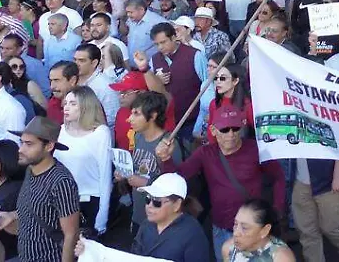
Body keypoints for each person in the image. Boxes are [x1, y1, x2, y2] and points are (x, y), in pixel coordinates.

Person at [156, 106, 287, 260]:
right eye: (225, 130)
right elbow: (175, 179)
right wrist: (166, 159)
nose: (231, 134)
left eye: (235, 128)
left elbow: (278, 177)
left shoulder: (255, 149)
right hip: (222, 229)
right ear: (213, 130)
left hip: (253, 229)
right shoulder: (205, 153)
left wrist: (277, 209)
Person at [0, 117, 80, 262]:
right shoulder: (30, 170)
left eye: (29, 144)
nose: (20, 149)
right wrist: (10, 217)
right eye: (22, 142)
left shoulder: (61, 182)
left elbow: (71, 235)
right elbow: (34, 213)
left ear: (49, 146)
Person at [55, 86, 113, 236]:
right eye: (66, 103)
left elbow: (105, 176)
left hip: (88, 201)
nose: (66, 107)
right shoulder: (60, 131)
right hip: (61, 200)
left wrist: (102, 216)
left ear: (86, 106)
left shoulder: (100, 133)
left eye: (73, 104)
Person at [122, 91, 182, 230]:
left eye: (136, 114)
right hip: (138, 214)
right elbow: (138, 167)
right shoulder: (137, 137)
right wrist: (124, 172)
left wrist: (146, 183)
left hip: (160, 222)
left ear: (153, 116)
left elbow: (177, 183)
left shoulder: (169, 145)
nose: (129, 119)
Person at [222, 198, 297, 262]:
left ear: (265, 231)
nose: (236, 233)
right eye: (235, 224)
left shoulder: (281, 258)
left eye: (244, 228)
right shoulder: (229, 249)